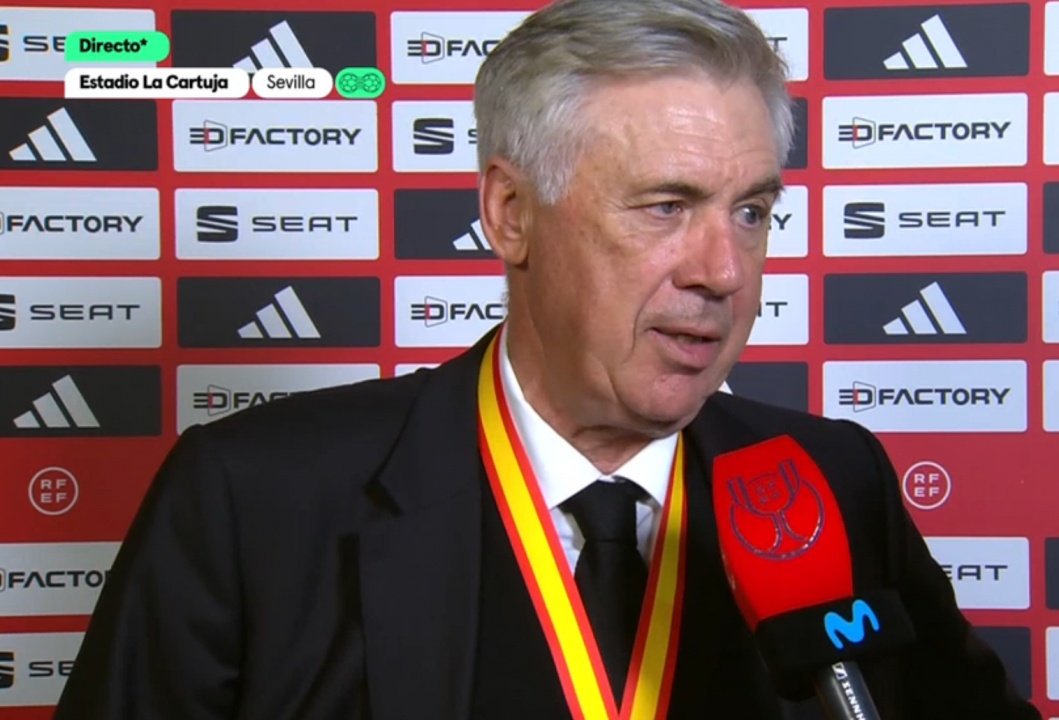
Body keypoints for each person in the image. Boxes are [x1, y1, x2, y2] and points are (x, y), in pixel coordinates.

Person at [56, 0, 1040, 718]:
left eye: (752, 211)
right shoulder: (252, 499)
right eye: (666, 205)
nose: (724, 269)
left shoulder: (831, 479)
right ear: (510, 214)